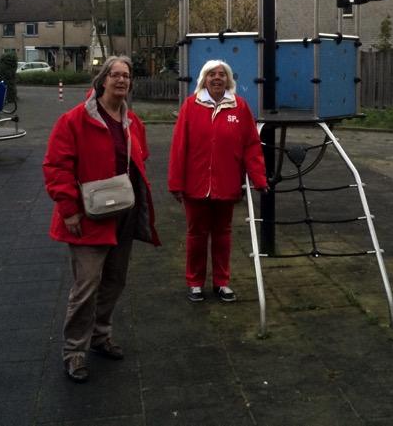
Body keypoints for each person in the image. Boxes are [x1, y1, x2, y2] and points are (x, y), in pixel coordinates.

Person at [43, 55, 160, 383]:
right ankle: (74, 351)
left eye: (127, 76)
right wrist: (69, 210)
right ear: (102, 80)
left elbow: (141, 158)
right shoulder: (74, 120)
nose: (122, 81)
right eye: (115, 75)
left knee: (114, 280)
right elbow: (56, 166)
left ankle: (100, 335)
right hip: (88, 216)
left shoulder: (133, 122)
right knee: (86, 285)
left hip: (122, 213)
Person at [168, 59, 268, 303]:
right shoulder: (191, 106)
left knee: (223, 234)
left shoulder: (240, 107)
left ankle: (222, 282)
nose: (217, 78)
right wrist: (176, 183)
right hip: (195, 185)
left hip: (226, 183)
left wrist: (259, 179)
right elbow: (179, 146)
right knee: (196, 234)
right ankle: (195, 283)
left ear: (228, 79)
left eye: (222, 74)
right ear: (204, 79)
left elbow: (251, 147)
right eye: (212, 74)